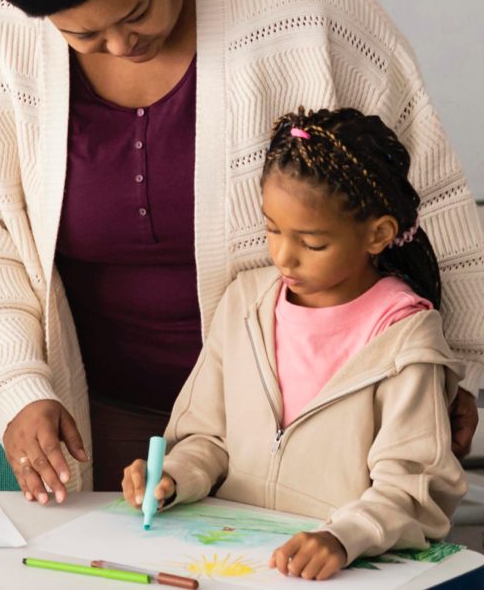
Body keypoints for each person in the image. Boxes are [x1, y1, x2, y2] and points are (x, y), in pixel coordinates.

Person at [0, 0, 484, 497]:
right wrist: (17, 390)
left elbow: (421, 193)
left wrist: (460, 366)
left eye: (137, 13)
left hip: (310, 425)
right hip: (100, 422)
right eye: (84, 35)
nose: (119, 45)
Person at [122, 108, 466, 580]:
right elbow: (207, 436)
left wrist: (343, 538)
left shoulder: (404, 340)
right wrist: (174, 476)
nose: (283, 256)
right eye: (273, 229)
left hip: (343, 572)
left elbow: (414, 488)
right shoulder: (246, 303)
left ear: (377, 234)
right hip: (234, 562)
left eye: (312, 243)